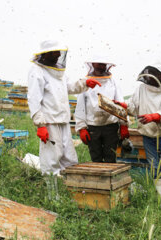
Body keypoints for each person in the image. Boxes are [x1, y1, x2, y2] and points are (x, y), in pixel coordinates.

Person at [27, 40, 101, 200]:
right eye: (55, 52)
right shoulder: (36, 71)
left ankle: (72, 195)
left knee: (70, 159)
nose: (59, 55)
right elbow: (34, 99)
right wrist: (40, 125)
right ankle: (52, 198)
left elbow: (70, 87)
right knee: (51, 160)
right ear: (46, 54)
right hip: (49, 123)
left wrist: (85, 83)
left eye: (59, 52)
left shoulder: (58, 73)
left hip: (63, 122)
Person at [114, 65, 161, 203]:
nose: (150, 76)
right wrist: (123, 105)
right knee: (154, 166)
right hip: (147, 134)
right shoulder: (141, 88)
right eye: (150, 73)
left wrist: (154, 116)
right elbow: (133, 106)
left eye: (154, 73)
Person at [74, 56, 129, 163]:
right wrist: (82, 128)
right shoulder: (86, 82)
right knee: (96, 157)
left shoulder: (113, 82)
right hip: (93, 127)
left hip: (111, 126)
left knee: (111, 157)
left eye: (103, 64)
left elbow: (120, 104)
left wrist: (123, 125)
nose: (101, 66)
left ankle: (109, 180)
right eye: (99, 63)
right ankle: (97, 180)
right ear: (92, 64)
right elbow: (80, 107)